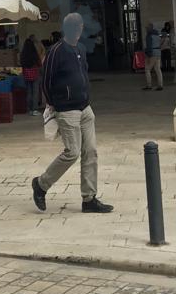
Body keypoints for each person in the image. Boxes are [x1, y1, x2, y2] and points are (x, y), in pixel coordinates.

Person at [32, 12, 113, 214]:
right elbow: (46, 80)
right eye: (74, 28)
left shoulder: (81, 49)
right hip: (67, 110)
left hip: (85, 108)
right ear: (67, 29)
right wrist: (53, 103)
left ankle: (89, 198)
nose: (77, 32)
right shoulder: (56, 51)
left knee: (90, 151)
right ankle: (41, 184)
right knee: (72, 153)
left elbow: (83, 72)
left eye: (79, 28)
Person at [20, 34, 42, 115]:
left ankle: (29, 109)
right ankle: (34, 109)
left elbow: (21, 63)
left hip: (26, 75)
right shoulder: (34, 53)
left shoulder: (23, 54)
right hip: (35, 74)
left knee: (29, 92)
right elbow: (39, 63)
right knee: (35, 92)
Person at [143, 23, 163, 91]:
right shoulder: (157, 35)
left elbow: (149, 46)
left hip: (152, 53)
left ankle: (149, 85)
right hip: (158, 52)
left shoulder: (149, 36)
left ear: (149, 28)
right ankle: (160, 85)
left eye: (146, 28)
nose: (146, 29)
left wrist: (148, 55)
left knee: (147, 69)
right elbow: (160, 44)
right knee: (158, 69)